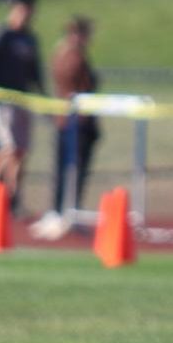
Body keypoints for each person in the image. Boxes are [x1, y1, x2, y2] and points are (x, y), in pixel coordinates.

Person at [0, 0, 45, 214]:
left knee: (21, 151)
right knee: (10, 147)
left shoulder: (29, 39)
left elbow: (35, 73)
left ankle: (13, 198)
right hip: (1, 100)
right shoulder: (1, 35)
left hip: (22, 99)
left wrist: (43, 98)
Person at [38, 16, 102, 234]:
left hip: (67, 119)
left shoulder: (62, 54)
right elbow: (81, 88)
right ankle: (64, 211)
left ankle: (63, 211)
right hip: (75, 121)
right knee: (72, 169)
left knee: (67, 169)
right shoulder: (73, 57)